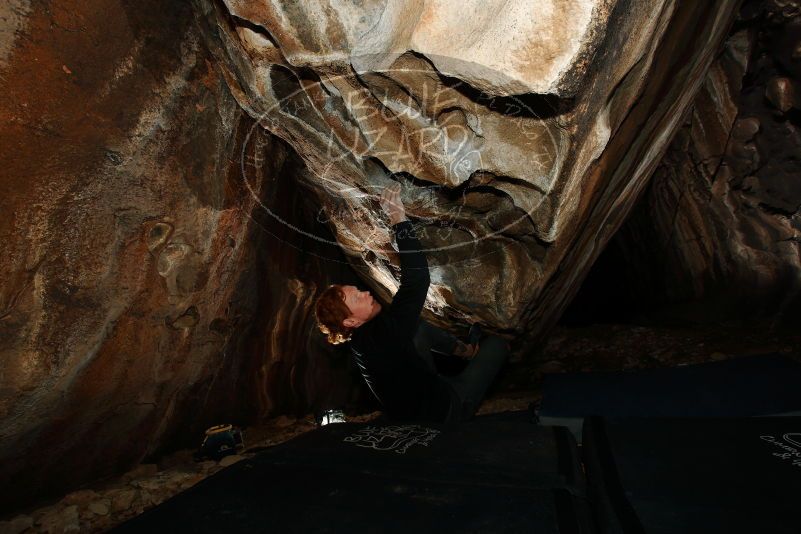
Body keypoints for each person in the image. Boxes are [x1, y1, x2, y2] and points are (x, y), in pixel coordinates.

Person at [314, 183, 510, 422]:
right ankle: (471, 362)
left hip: (420, 399)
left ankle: (466, 351)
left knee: (416, 328)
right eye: (357, 298)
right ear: (351, 320)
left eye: (359, 290)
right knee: (498, 345)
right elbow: (417, 280)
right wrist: (398, 218)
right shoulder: (383, 334)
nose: (365, 293)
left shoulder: (363, 342)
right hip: (446, 411)